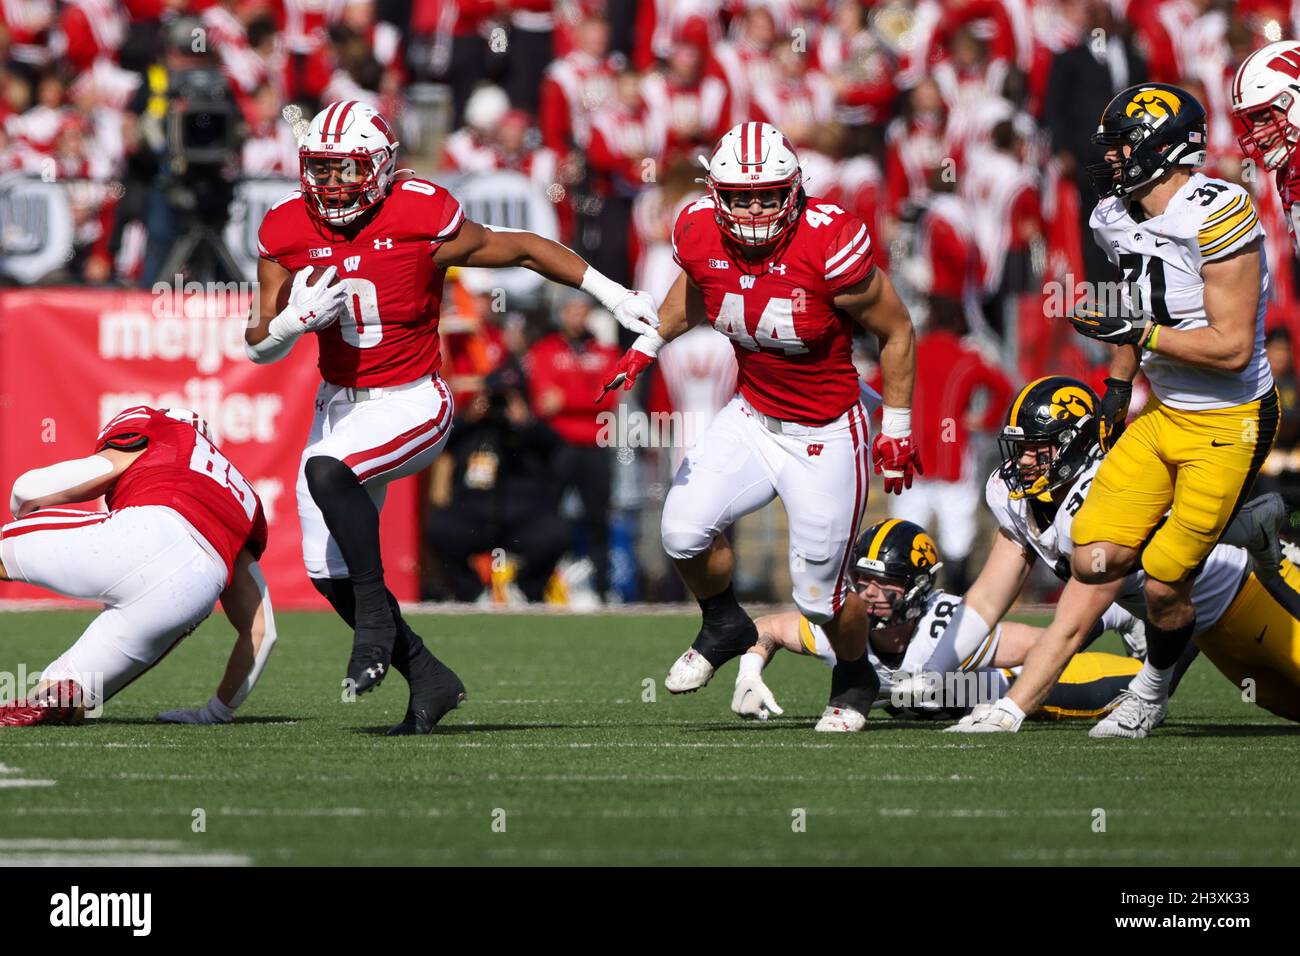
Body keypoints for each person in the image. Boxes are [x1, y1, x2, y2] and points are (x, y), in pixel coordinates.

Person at [246, 99, 660, 733]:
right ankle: (430, 678)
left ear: (381, 168)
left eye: (347, 171)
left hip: (414, 397)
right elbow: (256, 342)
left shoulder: (419, 210)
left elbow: (518, 248)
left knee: (328, 475)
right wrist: (290, 324)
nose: (331, 186)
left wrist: (612, 293)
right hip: (338, 404)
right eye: (321, 170)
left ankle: (378, 628)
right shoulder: (286, 226)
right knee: (326, 571)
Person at [602, 121, 920, 732]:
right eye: (741, 195)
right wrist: (649, 342)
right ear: (716, 193)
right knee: (682, 530)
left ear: (793, 190)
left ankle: (856, 673)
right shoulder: (696, 227)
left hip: (825, 432)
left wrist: (898, 424)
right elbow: (700, 287)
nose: (753, 207)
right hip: (750, 416)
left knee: (818, 601)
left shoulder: (829, 242)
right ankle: (724, 622)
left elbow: (897, 328)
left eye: (767, 194)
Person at [936, 376, 1297, 734]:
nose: (1024, 461)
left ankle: (1254, 532)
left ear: (1075, 445)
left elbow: (1070, 629)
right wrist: (931, 673)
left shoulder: (1100, 496)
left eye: (1037, 448)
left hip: (1249, 591)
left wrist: (1010, 710)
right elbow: (984, 600)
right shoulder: (1013, 495)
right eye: (1020, 448)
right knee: (1285, 704)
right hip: (1197, 628)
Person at [0, 407, 274, 727]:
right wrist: (216, 712)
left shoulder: (164, 428)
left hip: (148, 531)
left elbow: (31, 490)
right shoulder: (247, 498)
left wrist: (22, 509)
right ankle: (61, 696)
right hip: (194, 590)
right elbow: (261, 631)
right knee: (64, 694)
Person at [732, 518, 1143, 724]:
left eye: (886, 583)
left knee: (1142, 684)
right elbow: (768, 628)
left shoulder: (945, 625)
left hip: (1011, 687)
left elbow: (1049, 645)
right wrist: (749, 671)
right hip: (951, 707)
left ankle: (1122, 613)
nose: (871, 593)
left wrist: (956, 689)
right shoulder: (839, 627)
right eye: (863, 581)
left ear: (916, 588)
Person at [425, 363, 572, 603]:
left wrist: (526, 422)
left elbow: (556, 447)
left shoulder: (530, 432)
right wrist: (468, 417)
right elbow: (441, 442)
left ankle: (525, 590)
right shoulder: (472, 428)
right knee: (439, 528)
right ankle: (471, 593)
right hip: (474, 513)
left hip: (523, 516)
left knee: (557, 533)